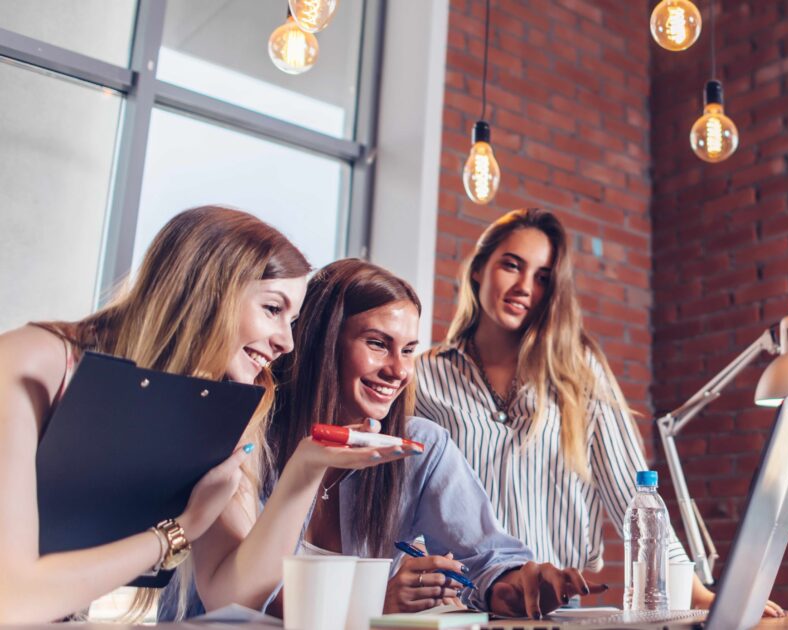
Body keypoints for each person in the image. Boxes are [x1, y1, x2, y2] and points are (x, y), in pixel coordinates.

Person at [416, 208, 785, 617]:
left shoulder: (579, 372)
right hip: (456, 611)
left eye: (543, 277)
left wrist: (697, 594)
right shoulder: (423, 378)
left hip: (556, 613)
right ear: (478, 269)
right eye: (511, 265)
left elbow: (634, 490)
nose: (524, 287)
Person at [185, 258, 600, 619]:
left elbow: (486, 559)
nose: (398, 370)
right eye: (378, 344)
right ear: (321, 344)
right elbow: (240, 601)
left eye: (408, 351)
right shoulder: (247, 439)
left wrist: (516, 584)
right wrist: (372, 604)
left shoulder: (420, 448)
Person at [0, 206, 310, 623]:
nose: (287, 342)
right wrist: (181, 528)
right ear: (206, 289)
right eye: (273, 309)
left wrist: (309, 468)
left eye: (293, 320)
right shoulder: (31, 362)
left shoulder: (206, 409)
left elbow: (230, 595)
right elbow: (12, 599)